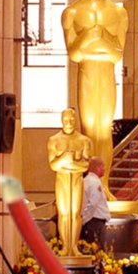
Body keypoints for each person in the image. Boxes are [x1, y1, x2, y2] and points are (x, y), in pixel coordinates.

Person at [62, 0, 129, 200]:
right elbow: (74, 53)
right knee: (89, 130)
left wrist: (96, 42)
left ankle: (103, 184)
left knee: (104, 131)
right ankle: (88, 184)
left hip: (107, 76)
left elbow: (117, 53)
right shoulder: (72, 12)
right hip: (88, 76)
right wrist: (91, 36)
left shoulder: (118, 13)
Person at [48, 108, 92, 257]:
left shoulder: (84, 140)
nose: (69, 123)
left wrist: (69, 163)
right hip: (62, 180)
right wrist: (64, 159)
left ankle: (74, 246)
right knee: (63, 213)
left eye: (72, 120)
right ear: (61, 120)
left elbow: (85, 165)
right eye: (66, 120)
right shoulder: (54, 140)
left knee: (75, 213)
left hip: (77, 180)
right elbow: (53, 165)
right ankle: (65, 247)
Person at [81, 156, 111, 245]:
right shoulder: (94, 182)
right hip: (94, 222)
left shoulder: (86, 180)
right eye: (103, 166)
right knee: (95, 249)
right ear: (97, 168)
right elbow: (93, 204)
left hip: (91, 221)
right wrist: (85, 220)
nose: (104, 169)